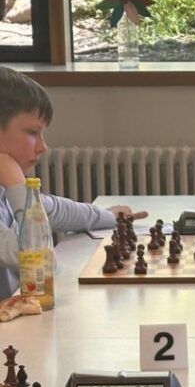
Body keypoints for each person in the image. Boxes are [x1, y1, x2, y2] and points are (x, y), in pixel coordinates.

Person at [0, 67, 147, 300]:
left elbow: (56, 209)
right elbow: (39, 258)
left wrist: (110, 217)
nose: (42, 147)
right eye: (32, 132)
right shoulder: (11, 187)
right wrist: (19, 186)